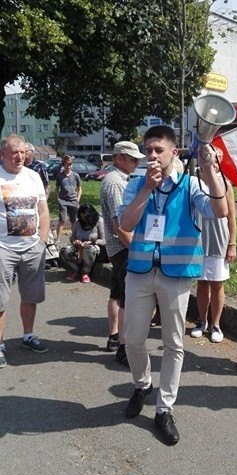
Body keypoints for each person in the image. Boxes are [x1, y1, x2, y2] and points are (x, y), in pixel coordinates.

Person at [119, 125, 228, 445]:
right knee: (134, 339)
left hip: (175, 276)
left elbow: (220, 209)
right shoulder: (136, 183)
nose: (152, 155)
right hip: (139, 272)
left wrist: (210, 168)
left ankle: (164, 408)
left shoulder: (191, 185)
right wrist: (144, 192)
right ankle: (142, 385)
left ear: (173, 153)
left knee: (173, 344)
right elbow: (125, 223)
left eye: (158, 150)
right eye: (148, 150)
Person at [0, 135, 50, 369]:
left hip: (32, 248)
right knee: (0, 301)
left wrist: (41, 242)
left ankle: (28, 336)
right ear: (3, 154)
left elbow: (43, 211)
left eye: (22, 152)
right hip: (3, 249)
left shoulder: (33, 176)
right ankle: (0, 345)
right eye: (14, 152)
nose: (19, 156)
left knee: (31, 297)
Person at [100, 141, 145, 363]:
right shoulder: (116, 183)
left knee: (116, 294)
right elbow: (121, 224)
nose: (137, 163)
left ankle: (114, 337)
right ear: (119, 158)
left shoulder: (116, 180)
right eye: (133, 159)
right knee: (128, 299)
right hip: (124, 247)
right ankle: (124, 348)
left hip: (116, 248)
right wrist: (136, 249)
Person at [190, 148, 237, 343]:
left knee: (217, 284)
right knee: (201, 283)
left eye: (216, 161)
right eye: (208, 159)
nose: (212, 164)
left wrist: (232, 244)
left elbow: (232, 217)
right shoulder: (194, 183)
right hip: (199, 241)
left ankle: (216, 324)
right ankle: (202, 321)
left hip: (219, 240)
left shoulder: (224, 183)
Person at [60, 204, 107, 283]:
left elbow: (104, 240)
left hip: (94, 248)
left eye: (86, 217)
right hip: (79, 247)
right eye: (81, 217)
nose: (84, 219)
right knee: (64, 251)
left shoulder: (99, 221)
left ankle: (85, 272)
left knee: (89, 249)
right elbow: (72, 237)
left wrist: (91, 242)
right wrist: (75, 241)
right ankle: (77, 270)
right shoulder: (77, 222)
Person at [55, 155, 82, 242]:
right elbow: (56, 188)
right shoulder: (60, 176)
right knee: (62, 220)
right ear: (63, 165)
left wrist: (78, 198)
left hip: (73, 200)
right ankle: (58, 239)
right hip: (63, 200)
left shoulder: (75, 175)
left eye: (70, 164)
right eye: (66, 165)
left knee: (73, 220)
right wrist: (58, 198)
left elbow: (79, 188)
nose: (68, 166)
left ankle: (74, 237)